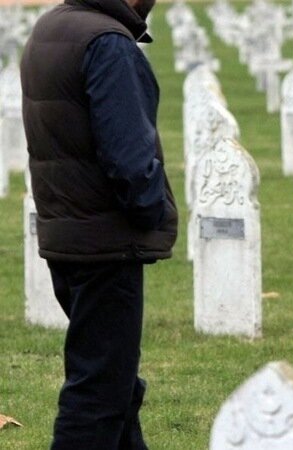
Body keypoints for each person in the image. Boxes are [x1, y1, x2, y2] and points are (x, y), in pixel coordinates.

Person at [20, 0, 178, 447]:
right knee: (99, 395)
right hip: (105, 241)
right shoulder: (108, 43)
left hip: (67, 231)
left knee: (117, 384)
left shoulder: (51, 28)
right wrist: (149, 211)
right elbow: (129, 159)